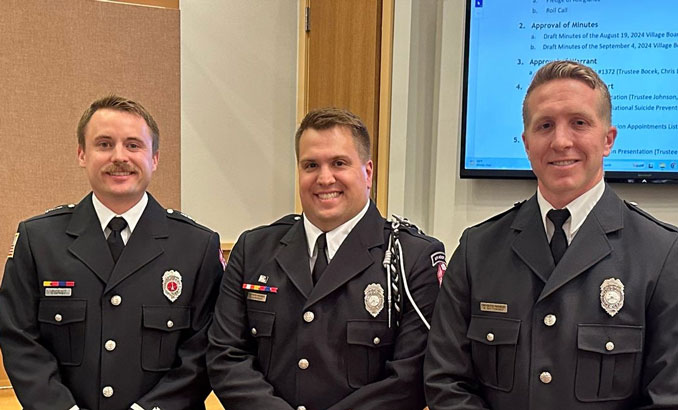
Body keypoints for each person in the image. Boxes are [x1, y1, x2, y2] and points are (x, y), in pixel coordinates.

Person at [424, 60, 678, 409]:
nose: (561, 141)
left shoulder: (663, 254)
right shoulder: (477, 250)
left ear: (607, 139)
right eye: (545, 125)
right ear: (527, 143)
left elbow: (667, 398)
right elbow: (445, 381)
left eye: (579, 123)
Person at [207, 107, 445, 410]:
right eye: (310, 165)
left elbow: (410, 378)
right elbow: (226, 356)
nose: (324, 178)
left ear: (367, 172)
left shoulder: (411, 257)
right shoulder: (254, 249)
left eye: (339, 163)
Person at [0, 95, 223, 410]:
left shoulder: (196, 245)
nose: (120, 156)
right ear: (82, 153)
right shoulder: (38, 241)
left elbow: (204, 350)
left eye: (134, 145)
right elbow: (19, 340)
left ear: (155, 158)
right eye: (104, 144)